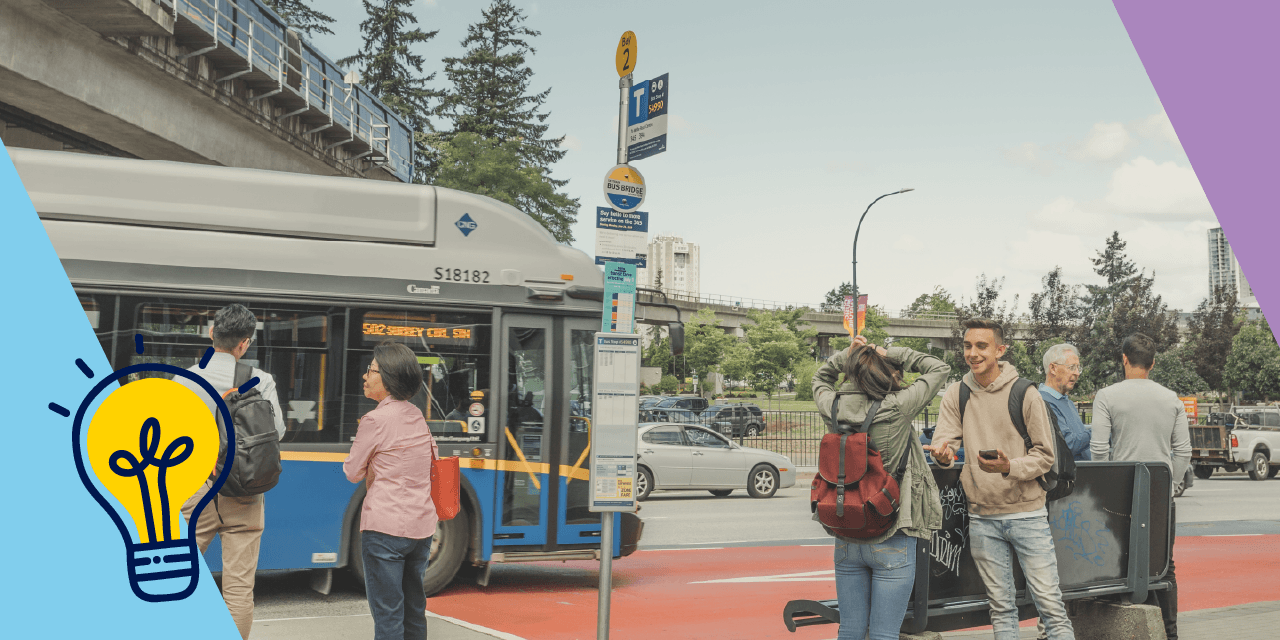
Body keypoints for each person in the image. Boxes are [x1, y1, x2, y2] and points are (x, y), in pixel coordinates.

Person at [928, 318, 1075, 640]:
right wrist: (942, 455)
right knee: (1001, 607)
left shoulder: (1025, 393)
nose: (973, 353)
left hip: (1027, 515)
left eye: (981, 346)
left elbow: (1045, 456)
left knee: (1050, 605)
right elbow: (946, 444)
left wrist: (1010, 467)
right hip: (982, 517)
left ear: (1000, 350)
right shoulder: (957, 393)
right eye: (968, 346)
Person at [813, 335, 950, 640]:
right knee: (884, 634)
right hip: (891, 529)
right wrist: (887, 351)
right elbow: (938, 368)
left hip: (846, 529)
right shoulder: (897, 406)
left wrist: (848, 355)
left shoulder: (831, 406)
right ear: (885, 374)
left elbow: (820, 376)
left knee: (850, 629)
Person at [178, 303, 286, 640]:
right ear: (245, 343)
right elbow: (277, 433)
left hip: (197, 490)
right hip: (245, 492)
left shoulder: (186, 380)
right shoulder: (261, 380)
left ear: (212, 334)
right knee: (239, 589)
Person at [1091, 333, 1191, 640]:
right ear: (1153, 363)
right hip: (1160, 493)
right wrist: (1171, 484)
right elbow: (1184, 451)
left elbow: (1098, 450)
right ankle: (1169, 633)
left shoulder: (1107, 396)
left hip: (1121, 493)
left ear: (1123, 358)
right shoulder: (1171, 398)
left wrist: (1104, 487)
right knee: (1164, 565)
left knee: (1123, 562)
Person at [344, 341, 439, 640]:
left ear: (386, 378)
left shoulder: (374, 420)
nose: (364, 376)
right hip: (421, 529)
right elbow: (429, 462)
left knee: (387, 615)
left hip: (385, 530)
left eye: (370, 370)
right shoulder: (417, 416)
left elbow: (351, 471)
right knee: (414, 609)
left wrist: (375, 467)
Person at [1040, 343, 1092, 461]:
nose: (1077, 373)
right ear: (1053, 368)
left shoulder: (1064, 400)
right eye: (1072, 367)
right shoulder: (1044, 402)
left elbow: (1078, 433)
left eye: (1078, 368)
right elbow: (1068, 444)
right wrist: (1099, 432)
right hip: (1068, 477)